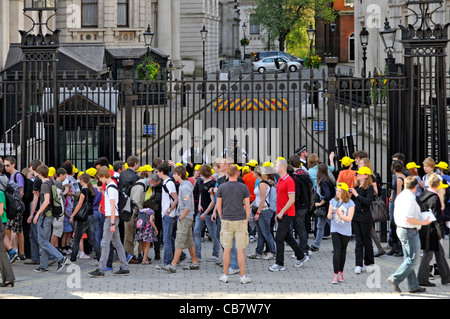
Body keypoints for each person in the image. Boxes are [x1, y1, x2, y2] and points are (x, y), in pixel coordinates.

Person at [387, 176, 430, 293]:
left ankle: (413, 286)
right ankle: (394, 279)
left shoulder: (401, 196)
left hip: (402, 229)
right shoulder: (410, 199)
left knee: (408, 259)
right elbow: (408, 217)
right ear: (415, 187)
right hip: (409, 230)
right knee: (413, 260)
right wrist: (423, 222)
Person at [89, 166, 130, 277]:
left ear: (103, 176)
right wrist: (102, 192)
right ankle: (125, 267)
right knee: (117, 243)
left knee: (105, 243)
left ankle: (101, 269)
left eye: (99, 178)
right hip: (113, 217)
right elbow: (111, 203)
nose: (99, 181)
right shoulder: (111, 186)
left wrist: (112, 223)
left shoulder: (111, 187)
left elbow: (113, 206)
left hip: (111, 218)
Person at [269, 159, 308, 272]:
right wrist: (277, 212)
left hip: (287, 213)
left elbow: (291, 200)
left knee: (279, 238)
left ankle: (279, 263)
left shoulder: (289, 180)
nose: (275, 168)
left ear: (282, 167)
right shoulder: (281, 180)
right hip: (281, 213)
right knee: (287, 237)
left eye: (276, 166)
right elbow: (280, 198)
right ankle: (301, 256)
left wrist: (281, 212)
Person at [216, 164, 251, 284]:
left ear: (227, 173)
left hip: (226, 219)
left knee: (227, 249)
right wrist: (246, 219)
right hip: (240, 219)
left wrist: (222, 218)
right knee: (240, 249)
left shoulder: (221, 187)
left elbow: (218, 206)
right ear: (237, 173)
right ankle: (243, 277)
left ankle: (225, 275)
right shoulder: (243, 187)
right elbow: (247, 206)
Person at [162, 165, 199, 272]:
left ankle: (173, 265)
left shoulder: (185, 187)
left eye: (174, 174)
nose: (173, 175)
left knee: (178, 241)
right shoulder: (185, 185)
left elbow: (187, 205)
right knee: (189, 242)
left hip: (185, 218)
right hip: (187, 217)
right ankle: (195, 262)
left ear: (179, 175)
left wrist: (181, 217)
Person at [32, 165, 68, 273]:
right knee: (45, 241)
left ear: (39, 173)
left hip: (45, 216)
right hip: (49, 215)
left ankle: (60, 258)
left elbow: (46, 201)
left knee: (42, 241)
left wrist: (37, 213)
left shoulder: (44, 185)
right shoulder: (50, 183)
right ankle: (44, 266)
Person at [417, 174, 450, 287]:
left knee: (439, 253)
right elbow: (436, 216)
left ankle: (446, 277)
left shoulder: (424, 194)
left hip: (425, 228)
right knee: (428, 255)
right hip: (432, 230)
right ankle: (422, 279)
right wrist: (448, 217)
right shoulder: (434, 198)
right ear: (438, 185)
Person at [69, 173, 101, 263]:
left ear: (82, 180)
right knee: (92, 239)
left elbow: (80, 204)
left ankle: (73, 258)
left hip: (84, 217)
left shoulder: (84, 191)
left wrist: (73, 215)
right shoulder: (91, 190)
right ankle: (99, 256)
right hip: (91, 215)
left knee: (76, 238)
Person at [349, 166, 375, 274]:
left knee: (367, 240)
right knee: (358, 241)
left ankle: (369, 263)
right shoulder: (357, 186)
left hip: (365, 217)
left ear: (366, 175)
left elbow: (368, 201)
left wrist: (357, 195)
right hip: (356, 217)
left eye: (359, 174)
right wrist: (351, 195)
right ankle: (358, 264)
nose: (357, 175)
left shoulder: (369, 187)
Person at [328, 182, 355, 284]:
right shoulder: (333, 201)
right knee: (337, 251)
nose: (337, 193)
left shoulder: (350, 203)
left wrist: (339, 214)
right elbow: (329, 217)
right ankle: (335, 274)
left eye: (340, 191)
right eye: (337, 191)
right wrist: (330, 212)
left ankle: (340, 272)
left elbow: (349, 218)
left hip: (346, 230)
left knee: (343, 252)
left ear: (344, 192)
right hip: (335, 229)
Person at [248, 166, 276, 260]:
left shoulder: (262, 184)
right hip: (263, 210)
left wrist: (258, 213)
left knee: (266, 232)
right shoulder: (262, 183)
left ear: (257, 173)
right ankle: (258, 252)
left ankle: (272, 252)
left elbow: (262, 199)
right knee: (261, 232)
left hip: (264, 210)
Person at [194, 164, 220, 263]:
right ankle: (197, 255)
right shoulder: (200, 181)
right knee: (196, 232)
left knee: (213, 235)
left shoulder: (212, 184)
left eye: (199, 170)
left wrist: (205, 213)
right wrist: (199, 205)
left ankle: (215, 254)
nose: (197, 172)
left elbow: (213, 201)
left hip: (208, 214)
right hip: (201, 211)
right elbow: (201, 194)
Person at [157, 162, 179, 268]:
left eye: (157, 172)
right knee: (169, 238)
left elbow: (176, 199)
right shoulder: (167, 182)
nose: (157, 174)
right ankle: (178, 256)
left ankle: (167, 261)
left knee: (166, 239)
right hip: (167, 214)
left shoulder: (168, 183)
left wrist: (169, 210)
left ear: (161, 172)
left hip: (169, 215)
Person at [4, 156, 25, 261]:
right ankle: (18, 252)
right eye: (4, 165)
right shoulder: (11, 176)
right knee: (14, 229)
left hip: (15, 207)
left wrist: (16, 204)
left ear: (13, 164)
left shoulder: (18, 175)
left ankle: (19, 252)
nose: (6, 167)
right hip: (12, 206)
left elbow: (21, 191)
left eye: (7, 165)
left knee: (16, 230)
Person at [311, 163, 335, 251]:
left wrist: (320, 203)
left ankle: (337, 246)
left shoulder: (324, 181)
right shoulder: (326, 180)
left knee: (331, 227)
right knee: (320, 226)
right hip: (326, 208)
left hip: (326, 207)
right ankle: (316, 245)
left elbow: (327, 195)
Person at [0, 161, 15, 287]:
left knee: (2, 253)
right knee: (1, 253)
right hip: (1, 226)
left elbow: (0, 211)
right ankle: (9, 278)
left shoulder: (0, 193)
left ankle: (9, 278)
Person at [387, 160, 406, 257]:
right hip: (400, 203)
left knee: (395, 225)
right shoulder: (402, 176)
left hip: (399, 204)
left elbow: (398, 194)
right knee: (394, 225)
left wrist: (396, 208)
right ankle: (396, 247)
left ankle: (399, 248)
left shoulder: (399, 179)